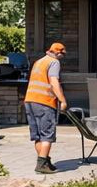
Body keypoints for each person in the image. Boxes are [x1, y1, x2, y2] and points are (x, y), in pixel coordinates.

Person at [24, 43, 71, 174]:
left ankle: (45, 161)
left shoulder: (39, 61)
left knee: (38, 135)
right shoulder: (54, 62)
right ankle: (41, 164)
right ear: (58, 52)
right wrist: (63, 100)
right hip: (44, 102)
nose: (63, 57)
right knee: (47, 135)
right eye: (63, 54)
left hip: (30, 100)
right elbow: (54, 82)